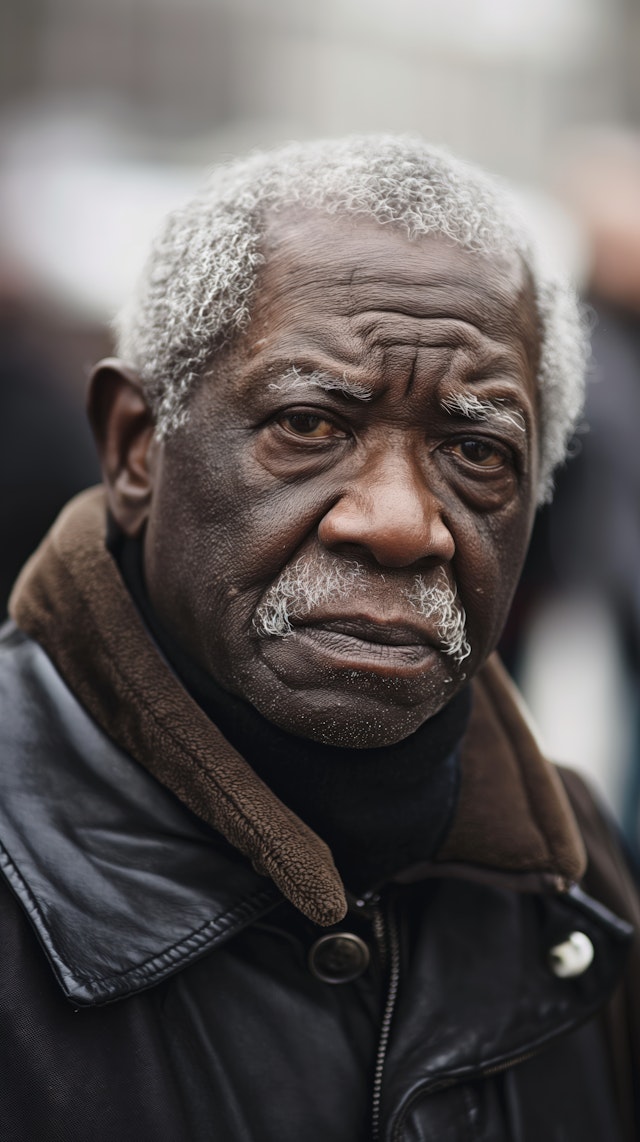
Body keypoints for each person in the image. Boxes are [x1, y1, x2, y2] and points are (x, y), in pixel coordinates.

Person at [0, 136, 638, 1142]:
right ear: (135, 447)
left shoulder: (577, 884)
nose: (398, 521)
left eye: (476, 450)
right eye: (308, 423)